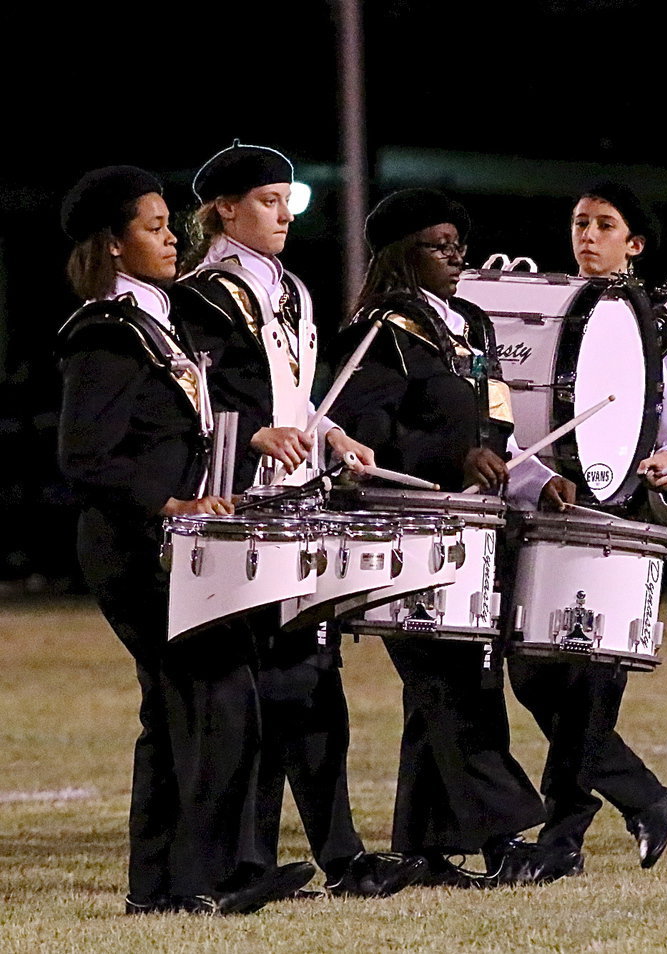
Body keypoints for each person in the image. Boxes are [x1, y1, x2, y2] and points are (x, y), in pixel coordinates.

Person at [57, 165, 315, 913]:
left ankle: (164, 887)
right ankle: (209, 879)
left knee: (183, 708)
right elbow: (85, 456)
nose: (173, 238)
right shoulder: (104, 333)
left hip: (168, 540)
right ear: (114, 244)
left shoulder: (155, 319)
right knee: (215, 697)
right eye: (154, 227)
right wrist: (168, 502)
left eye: (171, 224)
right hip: (133, 546)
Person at [174, 142, 418, 897]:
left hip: (300, 502)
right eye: (268, 200)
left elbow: (294, 396)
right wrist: (252, 433)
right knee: (256, 691)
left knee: (314, 680)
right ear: (225, 209)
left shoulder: (292, 291)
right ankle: (247, 862)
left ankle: (341, 856)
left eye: (289, 201)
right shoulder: (199, 296)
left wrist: (331, 434)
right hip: (239, 510)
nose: (284, 215)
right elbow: (191, 394)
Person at [328, 187, 578, 886]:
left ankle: (425, 847)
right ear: (400, 255)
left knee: (457, 680)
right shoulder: (378, 333)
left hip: (476, 529)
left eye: (458, 244)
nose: (455, 255)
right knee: (447, 683)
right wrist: (449, 458)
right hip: (408, 530)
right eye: (437, 246)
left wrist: (531, 479)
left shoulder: (471, 324)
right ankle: (505, 839)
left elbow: (496, 429)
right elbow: (366, 440)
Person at [507, 183, 667, 872]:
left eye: (604, 225)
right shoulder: (549, 314)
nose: (587, 236)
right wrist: (532, 478)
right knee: (533, 675)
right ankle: (644, 795)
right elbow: (514, 418)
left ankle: (561, 839)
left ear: (634, 243)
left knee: (591, 683)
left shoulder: (655, 329)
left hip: (615, 515)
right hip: (544, 513)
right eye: (580, 223)